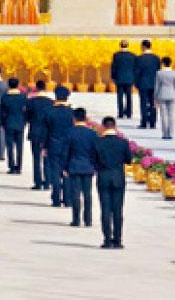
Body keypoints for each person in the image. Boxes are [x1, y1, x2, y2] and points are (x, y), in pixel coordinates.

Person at [94, 116, 131, 249]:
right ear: (115, 127)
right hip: (118, 178)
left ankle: (107, 240)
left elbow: (94, 160)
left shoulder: (98, 142)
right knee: (117, 210)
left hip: (103, 176)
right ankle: (118, 240)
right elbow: (129, 160)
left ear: (103, 127)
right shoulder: (123, 142)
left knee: (105, 209)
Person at [58, 106, 97, 228]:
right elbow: (95, 152)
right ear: (85, 118)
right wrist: (95, 166)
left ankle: (76, 219)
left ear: (74, 118)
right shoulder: (92, 134)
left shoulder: (69, 132)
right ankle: (88, 220)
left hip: (74, 166)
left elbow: (65, 152)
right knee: (87, 194)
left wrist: (64, 167)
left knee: (75, 194)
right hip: (88, 167)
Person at [45, 85, 75, 207]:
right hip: (68, 146)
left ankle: (56, 198)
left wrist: (44, 146)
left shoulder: (50, 112)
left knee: (55, 172)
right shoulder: (71, 113)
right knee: (67, 171)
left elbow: (46, 131)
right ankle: (67, 199)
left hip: (53, 144)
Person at [26, 80, 52, 190]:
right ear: (45, 88)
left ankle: (38, 182)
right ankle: (47, 182)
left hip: (35, 131)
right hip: (47, 133)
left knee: (36, 158)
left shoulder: (31, 102)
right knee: (47, 158)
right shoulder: (51, 102)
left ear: (36, 88)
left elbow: (27, 117)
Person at [0, 77, 27, 174]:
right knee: (19, 146)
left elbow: (2, 112)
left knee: (10, 146)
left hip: (9, 123)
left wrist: (2, 123)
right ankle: (19, 167)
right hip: (20, 123)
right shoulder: (23, 97)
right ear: (18, 85)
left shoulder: (5, 97)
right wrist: (25, 121)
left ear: (8, 85)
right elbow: (25, 111)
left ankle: (11, 166)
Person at [133, 40, 161, 129]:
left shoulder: (139, 58)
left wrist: (136, 83)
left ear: (143, 47)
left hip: (143, 83)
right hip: (154, 83)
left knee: (143, 103)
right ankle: (153, 122)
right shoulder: (156, 58)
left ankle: (144, 122)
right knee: (153, 103)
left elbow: (137, 72)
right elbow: (158, 71)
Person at [154, 56, 175, 140]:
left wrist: (155, 97)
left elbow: (157, 86)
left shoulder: (159, 73)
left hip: (162, 94)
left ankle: (165, 133)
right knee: (171, 115)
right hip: (172, 94)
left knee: (163, 115)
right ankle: (171, 133)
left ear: (163, 63)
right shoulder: (174, 73)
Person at [110, 40, 136, 120]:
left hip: (119, 78)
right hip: (129, 78)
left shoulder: (116, 55)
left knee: (120, 97)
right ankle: (129, 113)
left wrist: (113, 77)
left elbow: (113, 67)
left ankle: (120, 113)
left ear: (120, 45)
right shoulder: (132, 55)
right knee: (129, 96)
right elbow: (135, 68)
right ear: (128, 45)